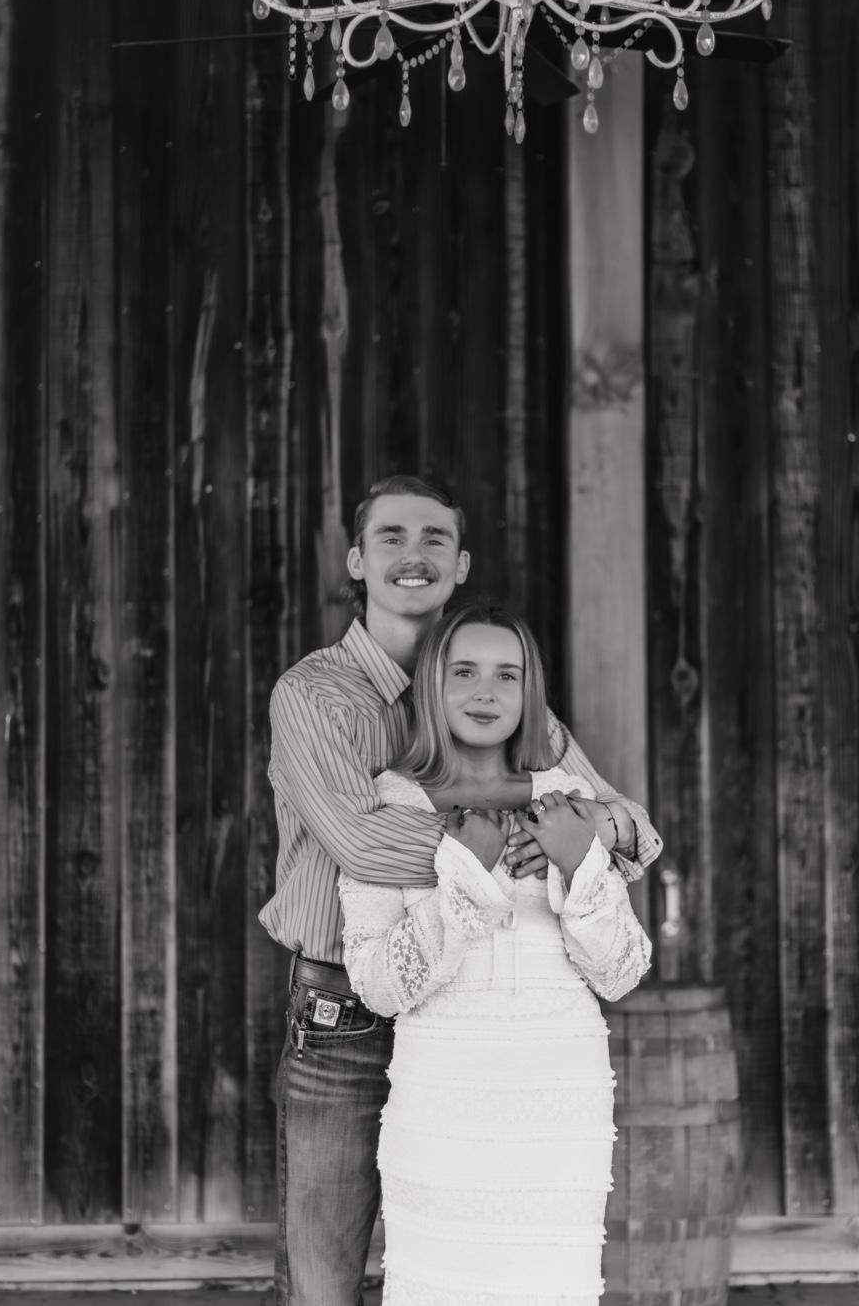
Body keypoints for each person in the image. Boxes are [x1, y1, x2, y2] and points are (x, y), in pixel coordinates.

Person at [262, 473, 662, 1306]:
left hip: (482, 1031)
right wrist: (514, 848)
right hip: (346, 1004)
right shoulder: (315, 695)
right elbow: (360, 843)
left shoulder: (500, 693)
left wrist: (592, 837)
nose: (415, 555)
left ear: (461, 562)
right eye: (392, 537)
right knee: (326, 1277)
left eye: (434, 538)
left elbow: (621, 824)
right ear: (356, 562)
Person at [338, 601, 652, 1305]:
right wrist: (466, 873)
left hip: (559, 1095)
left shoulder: (569, 801)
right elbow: (378, 984)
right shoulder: (387, 805)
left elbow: (622, 971)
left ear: (529, 691)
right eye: (465, 671)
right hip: (443, 1096)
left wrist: (580, 863)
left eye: (507, 675)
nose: (486, 691)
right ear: (431, 683)